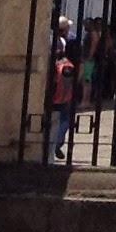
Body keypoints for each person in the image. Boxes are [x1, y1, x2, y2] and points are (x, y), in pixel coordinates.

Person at [46, 18, 79, 163]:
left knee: (50, 118)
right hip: (63, 84)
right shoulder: (68, 41)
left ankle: (48, 150)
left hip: (49, 84)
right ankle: (55, 146)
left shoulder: (46, 38)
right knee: (64, 117)